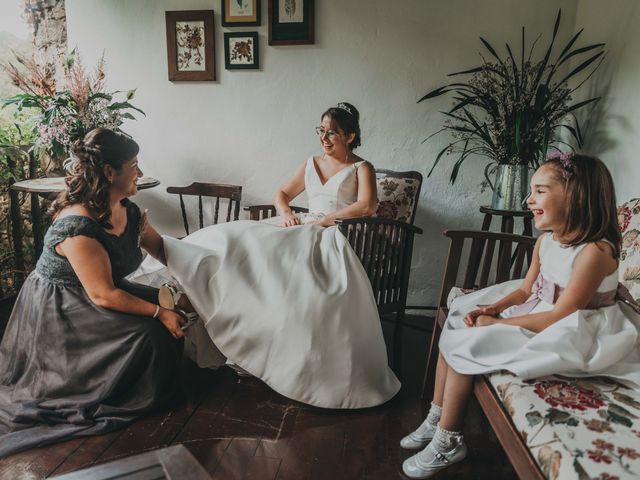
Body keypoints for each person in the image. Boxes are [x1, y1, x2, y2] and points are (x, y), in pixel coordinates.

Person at [133, 102, 401, 409]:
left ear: (351, 136)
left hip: (334, 231)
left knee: (280, 260)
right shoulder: (311, 163)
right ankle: (190, 283)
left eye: (333, 133)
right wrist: (286, 213)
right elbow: (282, 194)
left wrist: (326, 221)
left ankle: (203, 305)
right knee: (237, 238)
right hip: (301, 224)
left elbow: (367, 206)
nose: (324, 139)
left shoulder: (360, 167)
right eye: (321, 131)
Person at [400, 154, 640, 479]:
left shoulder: (596, 253)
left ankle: (449, 440)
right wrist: (492, 309)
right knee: (459, 321)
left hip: (577, 329)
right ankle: (437, 416)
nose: (529, 200)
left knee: (469, 342)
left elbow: (561, 314)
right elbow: (527, 291)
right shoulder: (545, 241)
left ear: (575, 196)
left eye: (540, 191)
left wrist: (498, 325)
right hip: (543, 312)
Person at [0, 128, 186, 458]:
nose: (140, 172)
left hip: (99, 291)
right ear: (109, 172)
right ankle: (107, 395)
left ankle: (130, 387)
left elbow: (163, 248)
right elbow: (103, 295)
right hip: (64, 306)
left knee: (171, 311)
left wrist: (202, 269)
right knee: (152, 332)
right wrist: (161, 312)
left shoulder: (127, 210)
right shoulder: (77, 225)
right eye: (134, 164)